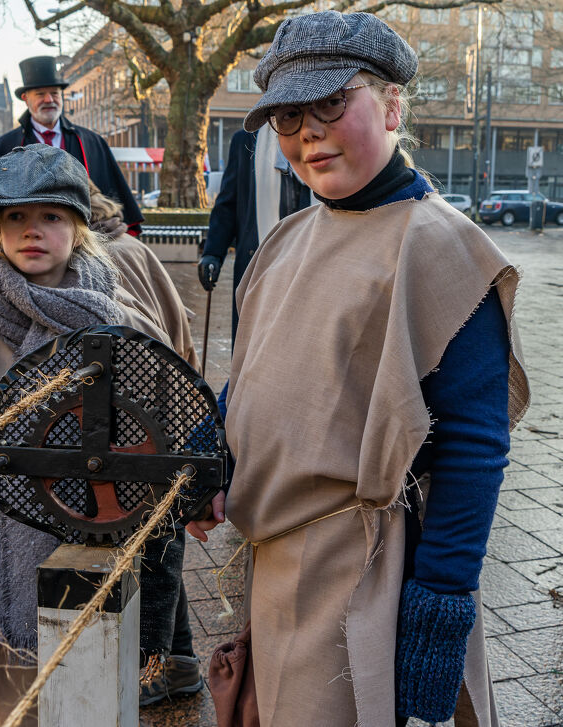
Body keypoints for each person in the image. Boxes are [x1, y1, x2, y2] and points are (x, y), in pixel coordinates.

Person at [188, 11, 530, 727]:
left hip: (362, 584)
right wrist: (209, 454)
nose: (306, 131)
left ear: (392, 105)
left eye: (330, 103)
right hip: (274, 567)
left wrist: (438, 607)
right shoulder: (285, 238)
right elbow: (252, 376)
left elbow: (473, 442)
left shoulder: (438, 247)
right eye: (286, 114)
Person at [0, 145, 192, 727]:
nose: (32, 231)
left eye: (49, 216)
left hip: (102, 564)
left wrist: (156, 625)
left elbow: (167, 469)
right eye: (15, 218)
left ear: (78, 227)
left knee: (92, 703)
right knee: (15, 710)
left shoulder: (126, 325)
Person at [88, 180, 203, 705]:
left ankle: (159, 665)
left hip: (134, 426)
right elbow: (179, 336)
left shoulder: (103, 261)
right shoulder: (134, 247)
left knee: (152, 544)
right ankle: (179, 662)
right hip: (162, 413)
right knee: (160, 540)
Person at [0, 56, 143, 236]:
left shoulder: (92, 142)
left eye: (54, 93)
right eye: (40, 94)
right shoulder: (4, 146)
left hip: (87, 238)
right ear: (25, 99)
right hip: (30, 238)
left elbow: (112, 197)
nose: (49, 99)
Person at [197, 126, 313, 343]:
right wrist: (213, 252)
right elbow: (228, 204)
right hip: (259, 260)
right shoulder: (246, 141)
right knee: (255, 339)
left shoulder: (321, 137)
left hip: (312, 261)